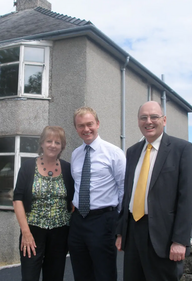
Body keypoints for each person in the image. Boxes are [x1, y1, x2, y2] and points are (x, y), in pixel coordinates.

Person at [115, 101, 192, 281]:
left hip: (164, 238)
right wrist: (122, 232)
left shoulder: (182, 149)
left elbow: (187, 198)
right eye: (143, 117)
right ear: (138, 121)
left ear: (164, 120)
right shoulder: (133, 152)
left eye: (154, 117)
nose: (148, 121)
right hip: (134, 233)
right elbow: (128, 194)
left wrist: (180, 240)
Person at [68, 106, 126, 281]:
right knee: (81, 273)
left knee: (104, 274)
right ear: (76, 128)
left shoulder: (114, 153)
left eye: (89, 124)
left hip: (103, 221)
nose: (86, 129)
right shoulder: (75, 155)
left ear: (98, 124)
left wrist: (120, 226)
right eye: (81, 126)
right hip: (78, 221)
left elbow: (124, 189)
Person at [13, 126, 74, 281]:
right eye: (49, 141)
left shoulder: (67, 168)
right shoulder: (28, 167)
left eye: (57, 142)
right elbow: (17, 199)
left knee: (55, 276)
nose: (53, 145)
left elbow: (73, 199)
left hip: (60, 233)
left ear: (62, 147)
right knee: (30, 276)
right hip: (33, 232)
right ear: (42, 143)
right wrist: (26, 233)